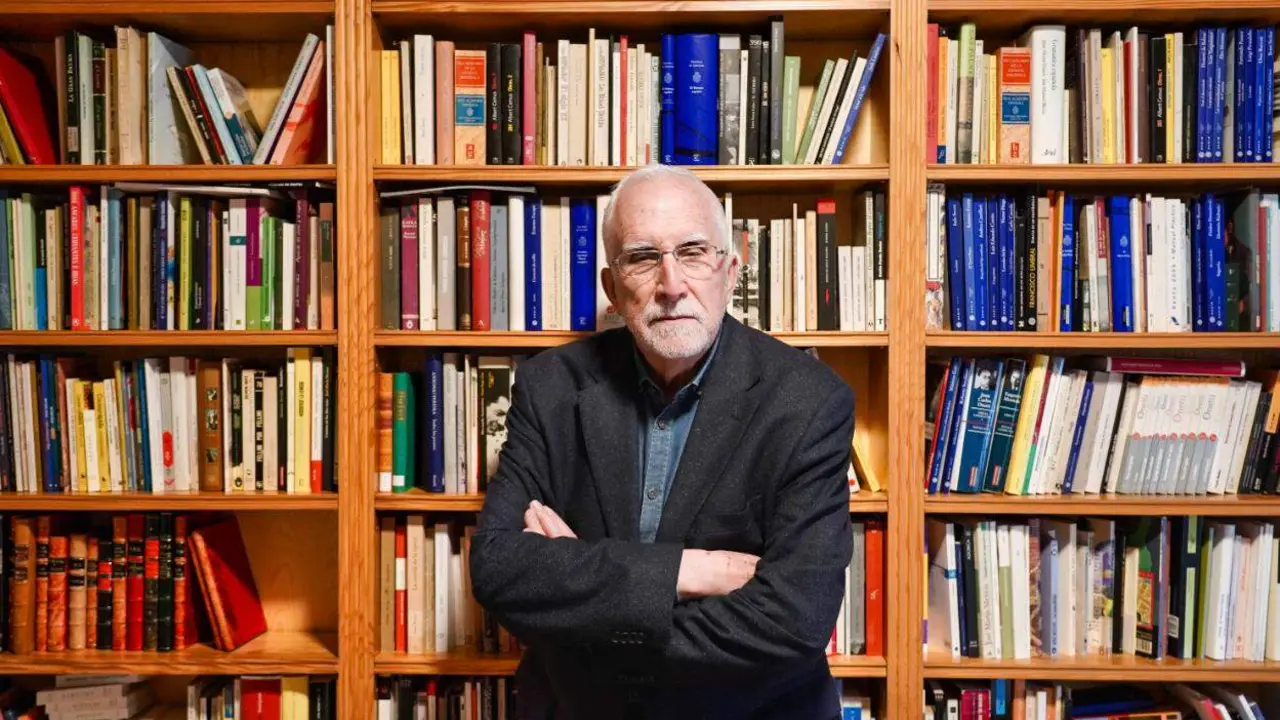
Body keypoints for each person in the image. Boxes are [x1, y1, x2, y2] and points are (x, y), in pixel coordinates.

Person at [469, 165, 857, 720]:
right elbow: (499, 569)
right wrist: (686, 572)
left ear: (732, 270)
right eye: (643, 257)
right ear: (612, 287)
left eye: (694, 252)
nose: (671, 284)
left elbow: (796, 620)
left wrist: (581, 598)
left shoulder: (810, 400)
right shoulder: (549, 387)